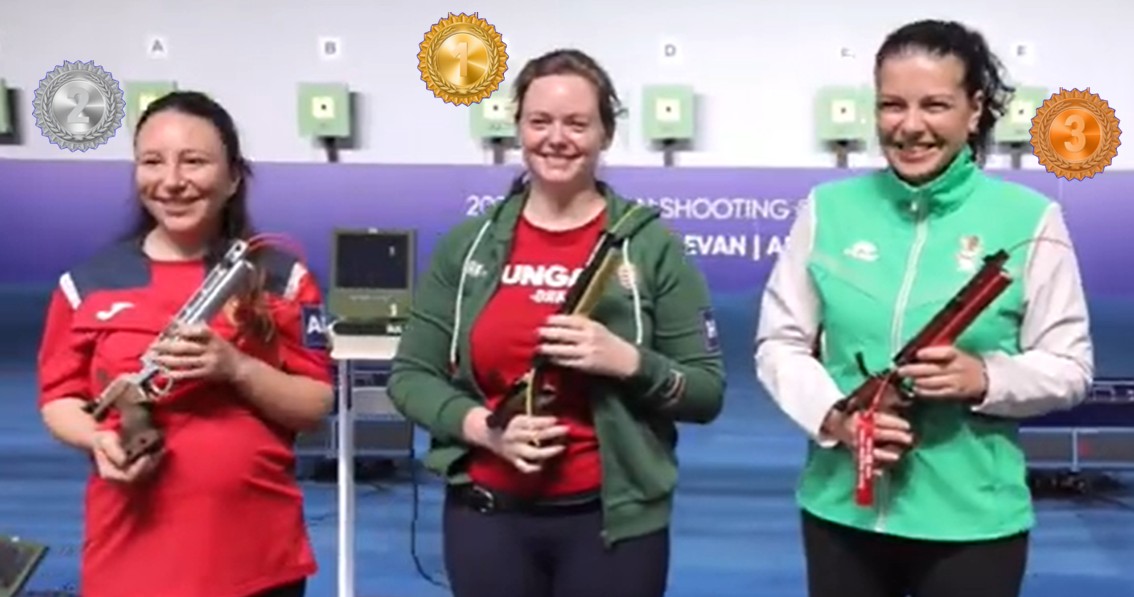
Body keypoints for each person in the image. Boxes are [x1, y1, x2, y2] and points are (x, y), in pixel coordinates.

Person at [755, 20, 1093, 597]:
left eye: (935, 105)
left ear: (975, 109)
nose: (910, 126)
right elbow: (779, 344)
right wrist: (836, 418)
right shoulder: (827, 209)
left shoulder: (1030, 219)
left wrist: (985, 377)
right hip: (842, 510)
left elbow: (1070, 367)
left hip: (974, 521)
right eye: (892, 105)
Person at [388, 48, 726, 597]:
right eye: (539, 121)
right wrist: (483, 429)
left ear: (605, 133)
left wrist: (628, 362)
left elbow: (706, 392)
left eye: (577, 123)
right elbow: (410, 376)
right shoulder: (469, 244)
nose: (556, 138)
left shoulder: (651, 247)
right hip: (488, 517)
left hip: (611, 527)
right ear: (518, 127)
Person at [36, 91, 334, 597]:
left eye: (194, 161)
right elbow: (59, 399)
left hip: (257, 560)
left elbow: (315, 405)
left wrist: (236, 368)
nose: (172, 181)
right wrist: (98, 439)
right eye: (152, 162)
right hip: (129, 558)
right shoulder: (87, 285)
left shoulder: (284, 279)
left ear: (234, 176)